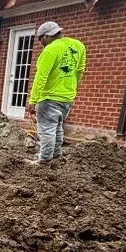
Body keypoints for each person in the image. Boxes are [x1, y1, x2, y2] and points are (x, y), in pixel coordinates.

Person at [27, 21, 86, 164]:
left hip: (49, 97)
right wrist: (71, 88)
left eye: (41, 39)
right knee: (58, 126)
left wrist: (33, 100)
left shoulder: (50, 50)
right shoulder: (79, 46)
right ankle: (56, 155)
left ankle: (44, 159)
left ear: (46, 36)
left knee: (47, 129)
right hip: (67, 97)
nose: (42, 43)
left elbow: (41, 76)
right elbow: (80, 70)